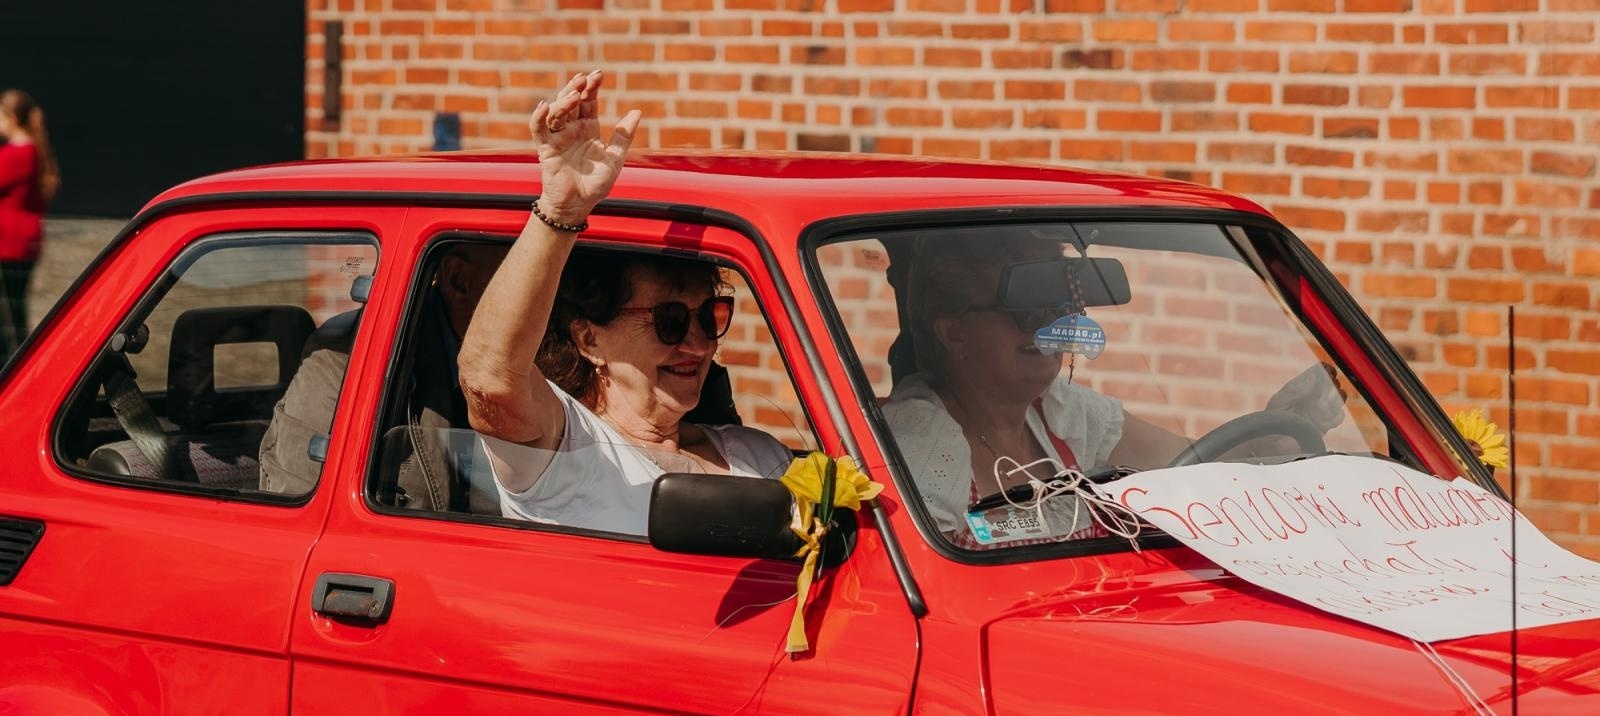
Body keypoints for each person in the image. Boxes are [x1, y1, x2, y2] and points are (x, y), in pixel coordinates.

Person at [459, 70, 791, 536]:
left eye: (709, 316)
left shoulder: (759, 455)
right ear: (590, 338)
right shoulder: (566, 448)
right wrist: (560, 212)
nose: (697, 342)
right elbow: (488, 382)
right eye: (669, 321)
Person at [885, 229, 1343, 547]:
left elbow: (1195, 465)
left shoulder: (1064, 414)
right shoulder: (917, 442)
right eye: (1024, 311)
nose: (1048, 324)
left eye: (1057, 306)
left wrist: (1272, 433)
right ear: (955, 333)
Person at [259, 242, 507, 505]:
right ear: (460, 280)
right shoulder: (349, 365)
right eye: (521, 274)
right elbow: (309, 514)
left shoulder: (533, 362)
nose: (551, 299)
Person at [0, 90, 61, 356]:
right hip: (22, 241)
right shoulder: (34, 150)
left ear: (12, 117)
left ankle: (13, 363)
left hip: (9, 243)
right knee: (14, 308)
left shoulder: (18, 154)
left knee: (10, 312)